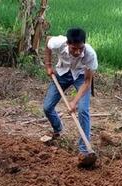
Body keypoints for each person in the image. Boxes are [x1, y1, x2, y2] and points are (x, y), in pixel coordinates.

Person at [43, 27, 98, 168]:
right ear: (68, 44)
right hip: (62, 73)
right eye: (74, 48)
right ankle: (58, 129)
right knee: (47, 107)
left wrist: (74, 101)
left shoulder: (90, 54)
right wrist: (48, 65)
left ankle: (85, 150)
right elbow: (48, 40)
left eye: (80, 48)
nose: (77, 51)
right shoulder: (59, 42)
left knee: (83, 110)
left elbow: (87, 82)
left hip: (80, 76)